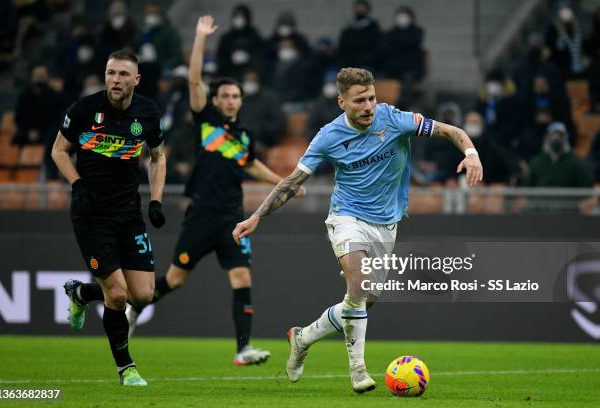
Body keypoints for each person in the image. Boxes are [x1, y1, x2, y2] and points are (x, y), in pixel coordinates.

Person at [232, 68, 482, 393]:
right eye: (360, 100)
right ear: (341, 102)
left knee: (362, 302)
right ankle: (358, 371)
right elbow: (291, 182)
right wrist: (257, 217)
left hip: (387, 225)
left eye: (372, 98)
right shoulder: (328, 137)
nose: (368, 106)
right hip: (346, 217)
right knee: (359, 285)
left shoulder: (394, 119)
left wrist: (471, 154)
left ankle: (303, 337)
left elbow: (451, 130)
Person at [69, 15, 301, 366]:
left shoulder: (243, 137)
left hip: (232, 218)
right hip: (201, 215)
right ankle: (109, 302)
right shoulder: (205, 122)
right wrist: (200, 39)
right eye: (225, 95)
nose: (231, 101)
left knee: (241, 277)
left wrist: (283, 182)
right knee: (173, 281)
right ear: (216, 99)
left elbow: (251, 165)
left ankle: (243, 349)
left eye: (236, 96)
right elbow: (194, 79)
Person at [51, 50, 167, 386]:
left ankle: (82, 294)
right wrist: (76, 183)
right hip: (92, 215)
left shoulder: (147, 112)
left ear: (136, 80)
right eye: (110, 73)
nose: (115, 80)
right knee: (116, 295)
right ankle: (126, 368)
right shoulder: (85, 109)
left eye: (122, 75)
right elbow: (58, 150)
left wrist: (156, 200)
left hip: (129, 214)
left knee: (143, 295)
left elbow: (158, 157)